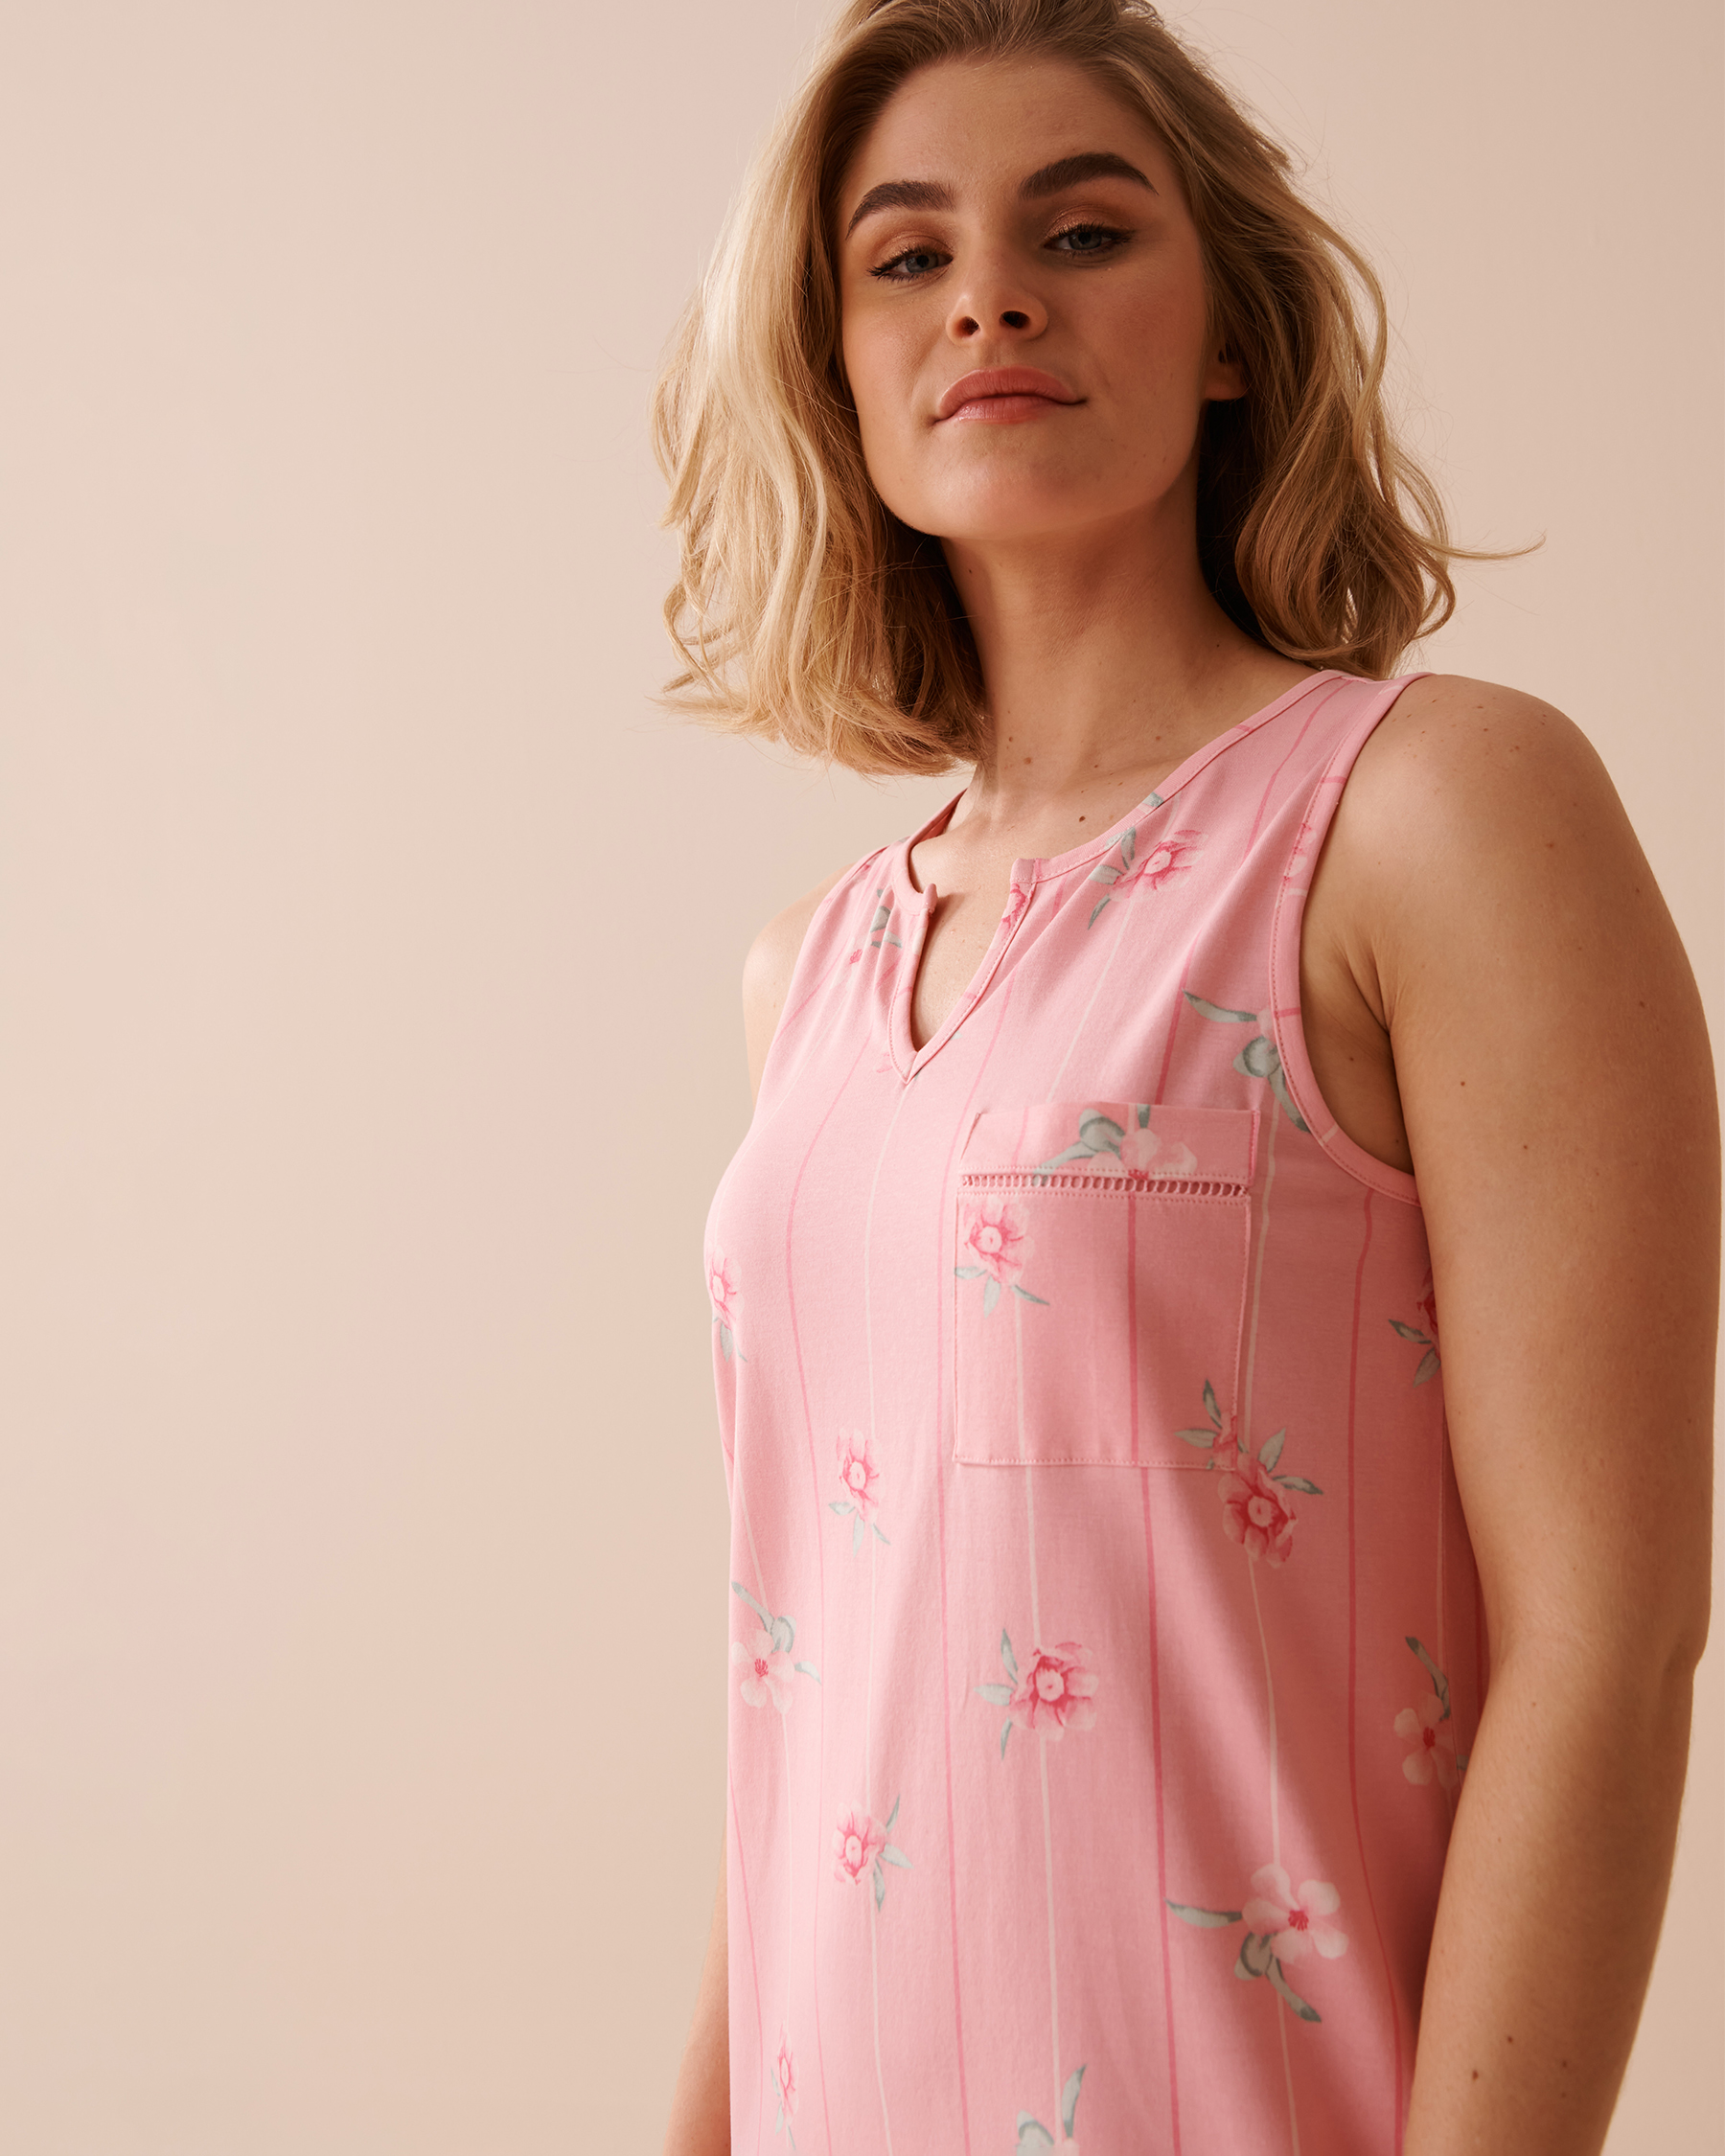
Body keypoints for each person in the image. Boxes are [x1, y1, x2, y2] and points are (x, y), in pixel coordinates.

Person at [653, 2, 1717, 2149]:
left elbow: (1603, 1647)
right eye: (906, 256)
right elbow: (812, 1686)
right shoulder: (810, 974)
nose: (992, 297)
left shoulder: (1436, 816)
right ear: (834, 366)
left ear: (1231, 327)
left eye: (1084, 230)